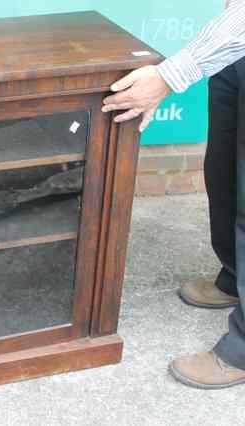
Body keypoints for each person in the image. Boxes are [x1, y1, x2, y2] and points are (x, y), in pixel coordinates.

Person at [102, 0, 245, 388]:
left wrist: (169, 75)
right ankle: (234, 278)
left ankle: (241, 350)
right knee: (225, 174)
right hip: (239, 47)